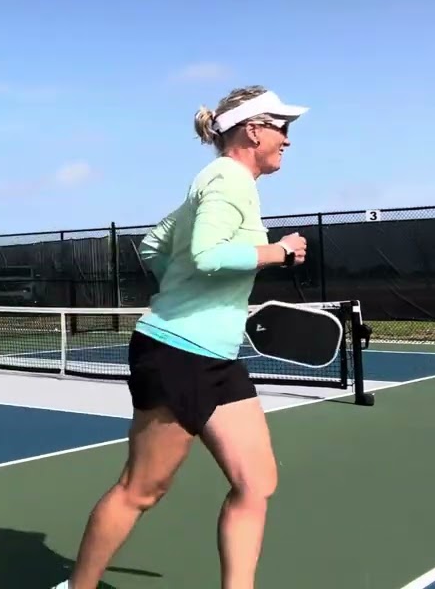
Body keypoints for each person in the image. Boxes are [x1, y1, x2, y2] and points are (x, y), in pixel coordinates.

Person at [54, 86, 310, 589]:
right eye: (281, 127)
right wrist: (278, 252)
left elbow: (155, 245)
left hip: (217, 357)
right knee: (141, 490)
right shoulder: (227, 180)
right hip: (178, 353)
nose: (287, 139)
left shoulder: (220, 183)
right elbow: (208, 255)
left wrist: (181, 290)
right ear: (252, 130)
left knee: (256, 482)